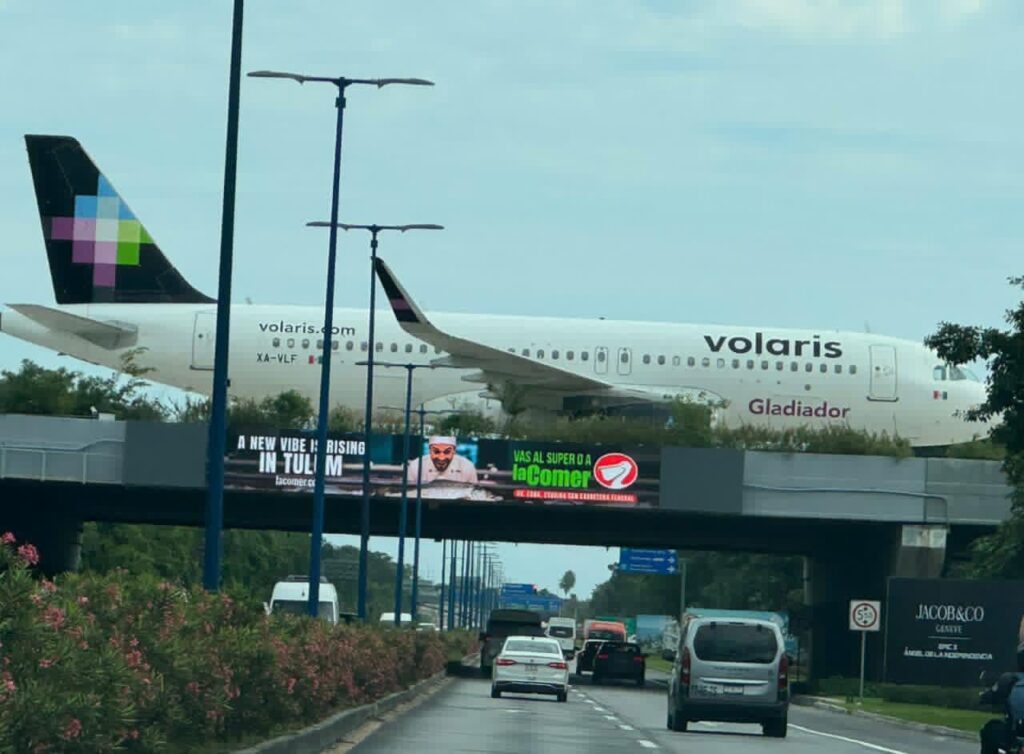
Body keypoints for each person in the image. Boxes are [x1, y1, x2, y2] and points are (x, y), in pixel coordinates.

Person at [979, 643, 1024, 754]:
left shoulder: (1010, 679)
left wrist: (984, 696)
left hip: (1016, 733)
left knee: (989, 729)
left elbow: (990, 697)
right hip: (1018, 735)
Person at [406, 435, 478, 486]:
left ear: (454, 452)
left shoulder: (467, 467)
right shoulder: (416, 466)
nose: (441, 458)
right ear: (430, 451)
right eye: (436, 451)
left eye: (447, 452)